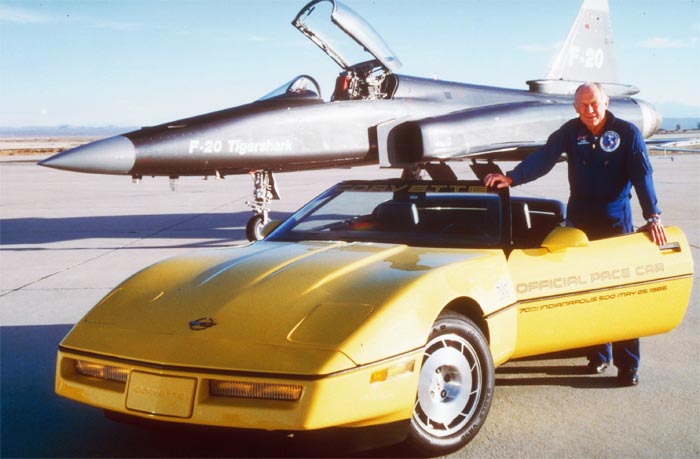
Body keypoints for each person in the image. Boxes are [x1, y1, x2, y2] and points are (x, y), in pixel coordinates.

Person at [485, 82, 667, 386]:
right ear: (575, 107)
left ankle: (627, 365)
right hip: (581, 219)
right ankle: (598, 355)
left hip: (614, 221)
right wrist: (512, 177)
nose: (589, 110)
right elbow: (544, 157)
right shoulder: (571, 132)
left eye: (594, 103)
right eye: (583, 105)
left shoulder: (627, 133)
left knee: (619, 293)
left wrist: (653, 216)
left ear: (606, 102)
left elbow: (642, 174)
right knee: (588, 291)